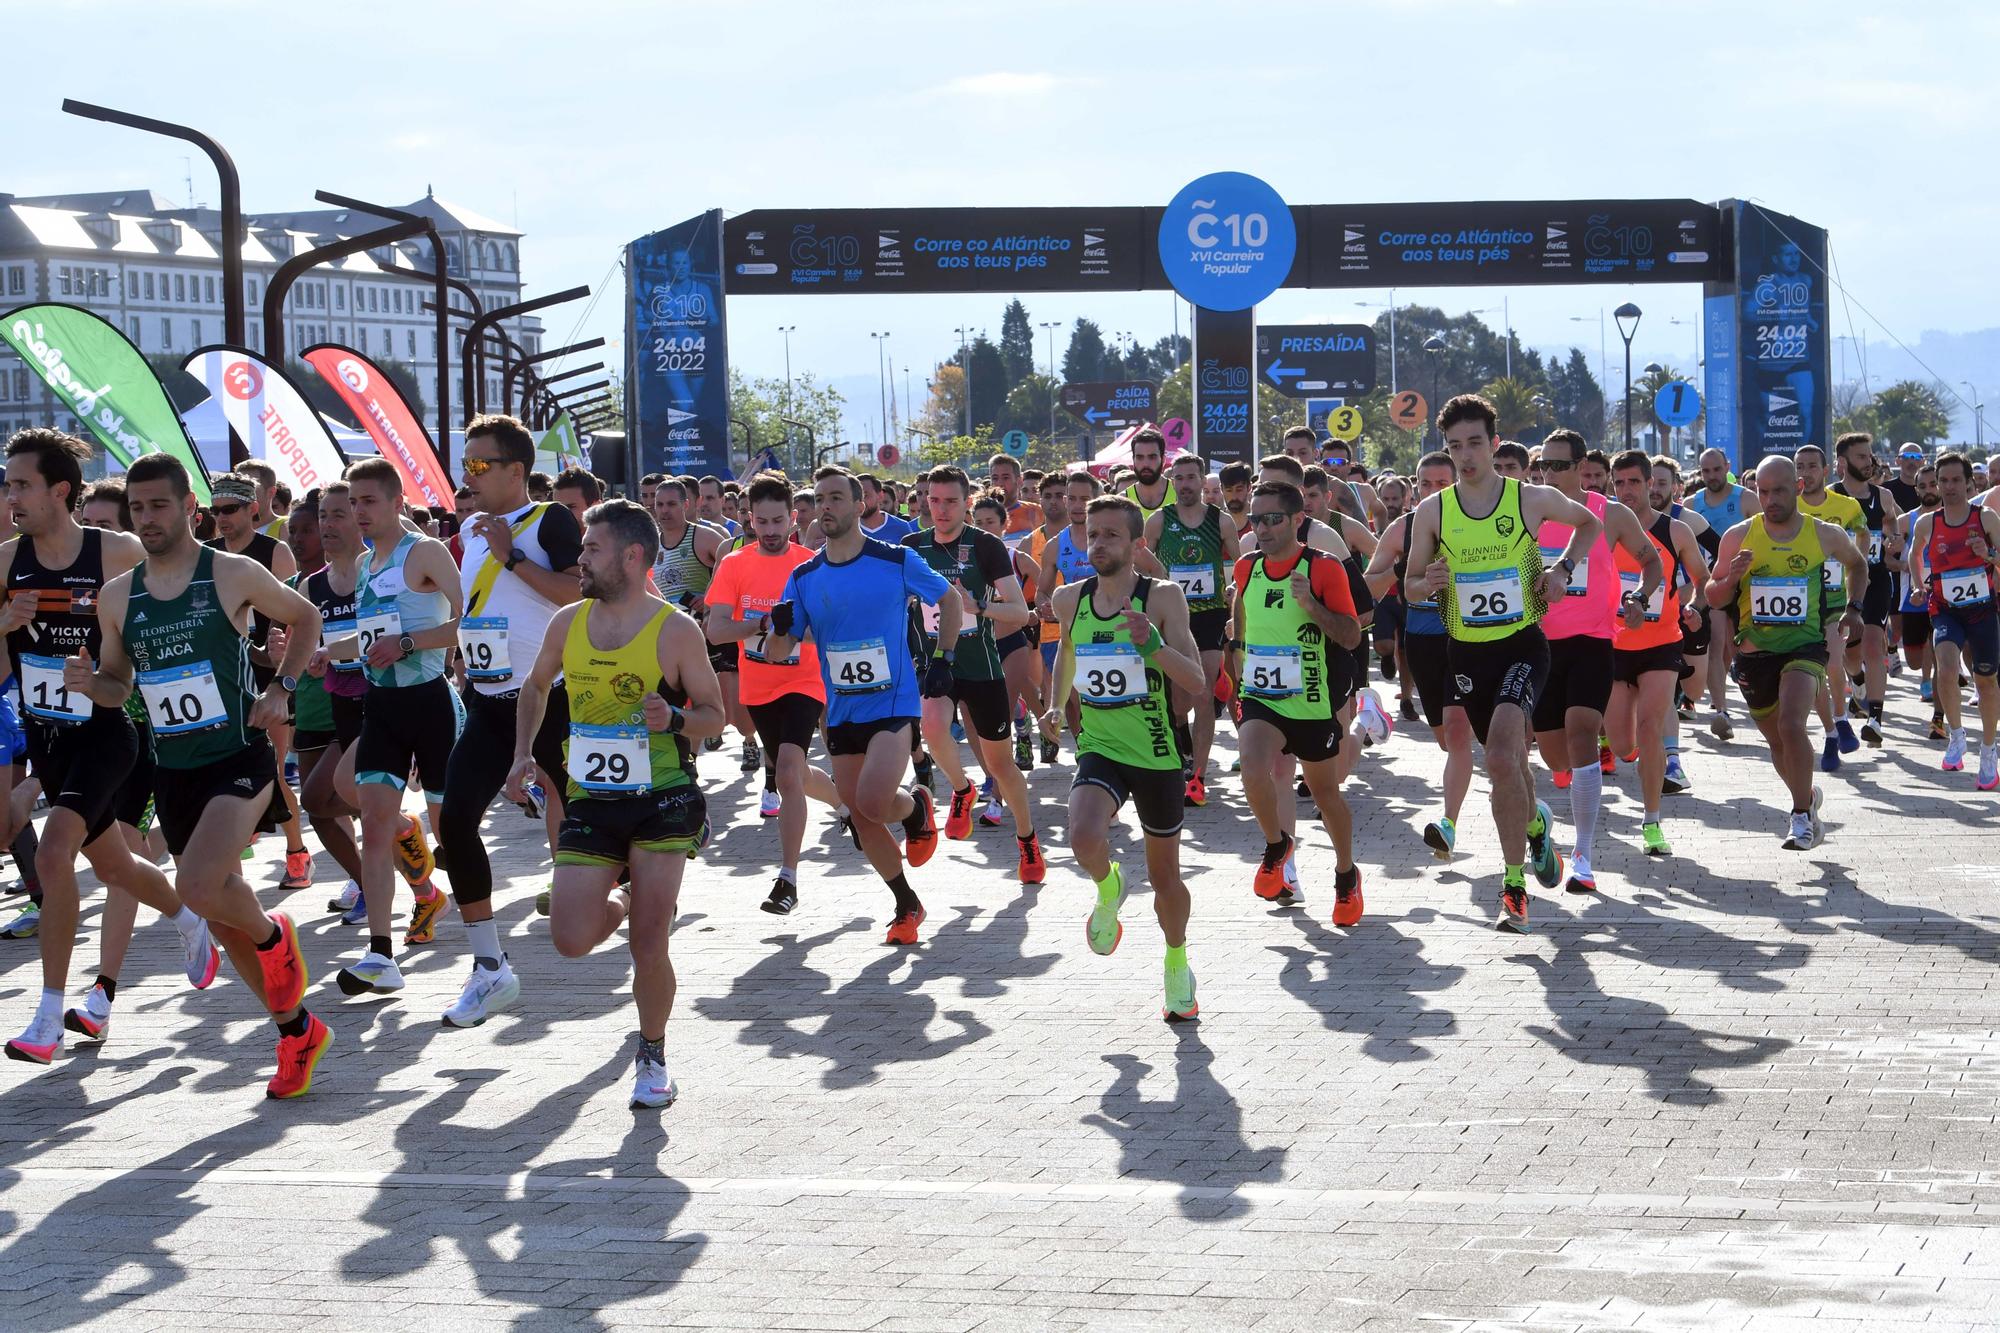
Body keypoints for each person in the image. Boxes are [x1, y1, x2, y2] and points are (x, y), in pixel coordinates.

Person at [92, 451, 328, 1097]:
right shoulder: (119, 597)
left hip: (239, 757)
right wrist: (95, 683)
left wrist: (281, 687)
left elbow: (305, 617)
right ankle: (297, 1030)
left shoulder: (230, 573)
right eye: (137, 508)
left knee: (196, 887)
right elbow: (118, 687)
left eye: (159, 505)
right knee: (223, 916)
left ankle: (275, 933)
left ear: (189, 506)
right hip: (175, 771)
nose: (147, 518)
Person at [0, 431, 220, 1062]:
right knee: (114, 865)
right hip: (47, 736)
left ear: (59, 491)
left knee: (51, 857)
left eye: (21, 484)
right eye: (8, 484)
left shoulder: (113, 551)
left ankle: (45, 1018)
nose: (10, 495)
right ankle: (187, 919)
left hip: (108, 726)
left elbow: (186, 593)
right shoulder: (7, 559)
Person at [507, 499, 723, 1109]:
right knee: (569, 937)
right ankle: (627, 896)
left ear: (632, 556)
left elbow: (716, 716)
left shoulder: (674, 629)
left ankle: (652, 1055)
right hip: (592, 801)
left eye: (591, 548)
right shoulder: (567, 622)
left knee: (648, 945)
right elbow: (537, 683)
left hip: (663, 799)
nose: (579, 558)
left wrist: (676, 716)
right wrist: (523, 753)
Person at [1403, 395, 1601, 933]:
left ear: (1494, 444)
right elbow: (1410, 583)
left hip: (1521, 645)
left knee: (1500, 757)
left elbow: (1587, 523)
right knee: (1507, 764)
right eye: (1454, 447)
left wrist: (1562, 570)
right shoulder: (1433, 510)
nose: (1465, 456)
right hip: (1467, 652)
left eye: (1474, 444)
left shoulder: (1528, 499)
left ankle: (1513, 889)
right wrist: (1429, 583)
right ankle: (1535, 825)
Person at [432, 415, 585, 1025]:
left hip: (552, 697)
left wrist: (513, 558)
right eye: (464, 464)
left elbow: (579, 595)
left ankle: (645, 877)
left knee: (592, 813)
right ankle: (490, 967)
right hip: (490, 704)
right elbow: (477, 612)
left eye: (478, 465)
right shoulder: (469, 528)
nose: (466, 477)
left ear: (515, 471)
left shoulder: (548, 520)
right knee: (456, 823)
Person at [765, 467, 954, 944]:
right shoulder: (804, 576)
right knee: (859, 812)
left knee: (871, 801)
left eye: (835, 498)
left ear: (857, 503)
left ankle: (913, 809)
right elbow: (777, 653)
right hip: (843, 711)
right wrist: (780, 627)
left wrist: (944, 658)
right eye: (819, 499)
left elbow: (949, 599)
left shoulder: (895, 559)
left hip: (894, 703)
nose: (824, 507)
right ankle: (905, 904)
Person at [1045, 495, 1206, 1020]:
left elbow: (1198, 682)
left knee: (1165, 880)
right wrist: (1053, 704)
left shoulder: (1163, 597)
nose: (1098, 543)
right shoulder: (1069, 599)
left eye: (1111, 534)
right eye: (1092, 533)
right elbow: (1067, 654)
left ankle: (1176, 960)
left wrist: (1154, 646)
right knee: (1082, 837)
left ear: (1137, 543)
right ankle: (1108, 884)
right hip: (1101, 745)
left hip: (1157, 752)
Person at [333, 458, 463, 997]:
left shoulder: (424, 552)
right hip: (382, 706)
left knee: (449, 831)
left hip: (431, 702)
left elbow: (468, 621)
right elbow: (371, 638)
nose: (357, 512)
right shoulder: (366, 564)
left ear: (395, 502)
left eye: (367, 501)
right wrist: (327, 653)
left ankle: (485, 944)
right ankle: (380, 954)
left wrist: (409, 645)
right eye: (352, 502)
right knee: (373, 823)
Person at [1707, 456, 1868, 849]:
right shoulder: (1739, 536)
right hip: (1754, 653)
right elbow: (1712, 595)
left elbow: (1857, 564)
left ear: (1797, 488)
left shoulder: (1823, 533)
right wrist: (1733, 576)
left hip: (1805, 647)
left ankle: (1799, 818)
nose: (1770, 499)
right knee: (1777, 742)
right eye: (1762, 491)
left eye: (1779, 490)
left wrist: (1854, 608)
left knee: (1792, 724)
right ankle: (1808, 798)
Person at [1224, 480, 1366, 924]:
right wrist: (1236, 672)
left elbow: (1350, 635)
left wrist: (1312, 606)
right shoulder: (1246, 568)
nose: (1262, 528)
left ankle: (1346, 875)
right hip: (1261, 695)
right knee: (1251, 767)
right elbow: (1241, 620)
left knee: (1326, 795)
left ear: (1297, 520)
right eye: (1256, 519)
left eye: (1272, 519)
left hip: (1312, 699)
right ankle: (1277, 846)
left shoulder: (1322, 568)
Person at [1530, 433, 1663, 890]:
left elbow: (1652, 564)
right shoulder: (1528, 512)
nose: (1549, 474)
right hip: (1541, 644)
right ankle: (1543, 817)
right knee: (1554, 759)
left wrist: (1639, 597)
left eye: (1559, 466)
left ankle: (1583, 857)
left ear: (1582, 465)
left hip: (1593, 639)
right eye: (1543, 465)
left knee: (1584, 729)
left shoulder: (1610, 514)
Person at [705, 475, 840, 912]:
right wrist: (762, 626)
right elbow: (716, 628)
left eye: (777, 520)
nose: (769, 529)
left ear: (794, 518)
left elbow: (832, 628)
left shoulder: (812, 565)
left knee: (785, 770)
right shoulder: (734, 564)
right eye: (760, 521)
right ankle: (844, 807)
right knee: (795, 775)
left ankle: (788, 878)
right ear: (749, 519)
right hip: (758, 684)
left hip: (805, 679)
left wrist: (794, 630)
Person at [904, 466, 1044, 883]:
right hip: (936, 664)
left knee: (1001, 765)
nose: (942, 509)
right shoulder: (911, 547)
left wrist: (977, 606)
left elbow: (1020, 613)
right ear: (925, 501)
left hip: (982, 665)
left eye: (951, 501)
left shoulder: (985, 546)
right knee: (931, 725)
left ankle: (1027, 840)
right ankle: (962, 790)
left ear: (967, 502)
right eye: (934, 500)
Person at [1366, 452, 1476, 860]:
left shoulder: (1479, 521)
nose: (1434, 491)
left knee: (1459, 729)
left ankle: (1448, 824)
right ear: (1414, 489)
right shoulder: (1404, 529)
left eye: (1442, 483)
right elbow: (1369, 586)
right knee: (1447, 740)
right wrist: (1402, 574)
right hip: (1423, 643)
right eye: (1425, 484)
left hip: (1470, 640)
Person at [205, 473, 312, 888]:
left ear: (252, 508)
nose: (221, 519)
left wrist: (278, 663)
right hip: (225, 676)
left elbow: (296, 619)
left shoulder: (274, 552)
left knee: (274, 771)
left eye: (229, 510)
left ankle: (296, 851)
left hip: (271, 678)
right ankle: (231, 869)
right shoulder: (208, 554)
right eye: (214, 512)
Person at [1606, 450, 1707, 858]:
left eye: (1634, 482)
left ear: (1651, 484)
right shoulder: (1604, 527)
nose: (1626, 490)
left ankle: (1651, 822)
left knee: (1651, 728)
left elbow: (1701, 578)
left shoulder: (1675, 532)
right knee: (1621, 744)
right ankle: (1637, 757)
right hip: (1614, 645)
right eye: (1619, 483)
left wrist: (1694, 607)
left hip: (1662, 643)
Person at [1144, 451, 1238, 806]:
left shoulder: (1221, 521)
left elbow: (1239, 563)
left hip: (1209, 614)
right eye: (1179, 479)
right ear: (1173, 481)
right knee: (1178, 700)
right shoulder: (1158, 521)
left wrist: (1234, 590)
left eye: (1191, 478)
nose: (1185, 485)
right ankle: (1180, 733)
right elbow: (1141, 558)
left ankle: (1198, 776)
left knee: (1202, 692)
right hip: (1171, 614)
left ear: (1202, 481)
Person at [1907, 453, 2000, 786]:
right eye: (1942, 481)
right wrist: (1919, 586)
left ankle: (1989, 748)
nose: (1948, 487)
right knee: (1946, 667)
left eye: (1955, 480)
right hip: (1944, 607)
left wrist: (1987, 554)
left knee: (1986, 681)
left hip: (1983, 610)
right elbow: (1914, 553)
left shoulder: (1986, 518)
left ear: (1969, 482)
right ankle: (1957, 735)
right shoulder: (1928, 523)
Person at [299, 483, 369, 919]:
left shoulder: (377, 572)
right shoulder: (312, 586)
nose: (328, 525)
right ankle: (371, 883)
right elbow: (310, 651)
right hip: (337, 705)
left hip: (384, 703)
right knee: (318, 805)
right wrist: (295, 656)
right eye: (323, 516)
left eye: (338, 515)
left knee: (317, 797)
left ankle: (405, 882)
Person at [651, 479, 751, 769]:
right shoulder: (648, 541)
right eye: (659, 504)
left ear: (686, 505)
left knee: (732, 704)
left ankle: (749, 740)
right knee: (685, 698)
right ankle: (689, 760)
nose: (664, 511)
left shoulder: (705, 538)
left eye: (671, 504)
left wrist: (706, 597)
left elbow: (731, 579)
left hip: (707, 632)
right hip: (669, 634)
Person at [1794, 444, 1867, 769]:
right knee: (1814, 673)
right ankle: (1830, 731)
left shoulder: (1847, 505)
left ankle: (1840, 718)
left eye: (1811, 466)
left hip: (1835, 602)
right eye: (1799, 466)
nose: (1804, 473)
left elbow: (1863, 538)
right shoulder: (1786, 505)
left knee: (1834, 663)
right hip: (1800, 607)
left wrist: (1858, 564)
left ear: (1825, 471)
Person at [970, 494, 1051, 777]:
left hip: (1011, 641)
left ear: (1004, 525)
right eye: (977, 522)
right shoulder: (964, 562)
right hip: (978, 646)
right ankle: (1025, 724)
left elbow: (1046, 590)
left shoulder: (1017, 558)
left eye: (990, 522)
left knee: (1001, 708)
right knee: (1008, 701)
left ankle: (1015, 753)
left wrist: (1033, 612)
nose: (983, 527)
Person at [1831, 432, 1904, 747]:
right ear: (1843, 462)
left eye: (1870, 455)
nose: (1869, 461)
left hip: (1874, 579)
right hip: (1837, 580)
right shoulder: (1828, 497)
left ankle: (1875, 718)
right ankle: (1857, 682)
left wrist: (1894, 540)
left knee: (1875, 644)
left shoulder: (1882, 496)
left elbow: (1894, 527)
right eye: (1862, 456)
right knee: (1848, 650)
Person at [1683, 448, 1751, 739]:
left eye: (1716, 470)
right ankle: (1720, 710)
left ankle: (1720, 690)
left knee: (1729, 649)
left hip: (1745, 583)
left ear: (1727, 467)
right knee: (1717, 641)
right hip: (1711, 584)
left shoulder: (1746, 499)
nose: (1711, 476)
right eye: (1705, 471)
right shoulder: (1691, 504)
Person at [1124, 427, 1176, 519]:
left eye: (1152, 457)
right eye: (1140, 457)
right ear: (1133, 460)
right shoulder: (1123, 502)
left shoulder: (1180, 496)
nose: (1146, 464)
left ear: (1163, 460)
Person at [857, 472, 914, 544]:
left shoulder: (902, 527)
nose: (861, 501)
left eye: (865, 495)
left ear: (880, 496)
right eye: (856, 497)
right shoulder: (846, 530)